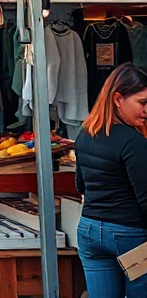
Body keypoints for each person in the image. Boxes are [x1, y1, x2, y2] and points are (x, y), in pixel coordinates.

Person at [75, 63, 147, 297]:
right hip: (130, 237)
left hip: (89, 231)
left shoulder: (85, 134)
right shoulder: (133, 142)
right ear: (118, 99)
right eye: (142, 103)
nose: (146, 110)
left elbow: (80, 185)